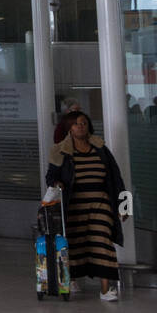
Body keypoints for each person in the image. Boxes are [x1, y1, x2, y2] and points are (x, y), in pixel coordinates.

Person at [46, 111, 128, 301]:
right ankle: (72, 278)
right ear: (69, 128)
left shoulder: (100, 148)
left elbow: (116, 178)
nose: (80, 126)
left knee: (103, 241)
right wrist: (58, 184)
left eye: (83, 123)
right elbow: (51, 176)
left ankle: (106, 289)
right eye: (76, 124)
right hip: (74, 205)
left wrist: (123, 206)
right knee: (76, 243)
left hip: (101, 202)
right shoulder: (61, 151)